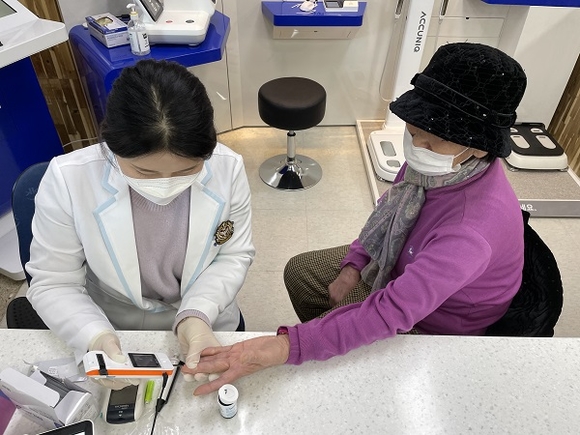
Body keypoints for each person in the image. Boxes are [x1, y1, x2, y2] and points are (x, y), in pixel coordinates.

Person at [186, 42, 528, 395]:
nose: (417, 146)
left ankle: (346, 366)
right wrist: (353, 265)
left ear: (480, 146)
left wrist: (287, 346)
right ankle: (334, 343)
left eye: (433, 140)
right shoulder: (439, 168)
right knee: (302, 271)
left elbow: (392, 310)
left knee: (340, 330)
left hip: (433, 324)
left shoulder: (471, 230)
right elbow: (387, 215)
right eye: (414, 131)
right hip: (400, 263)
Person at [26, 59, 255, 388]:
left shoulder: (228, 168)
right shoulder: (68, 179)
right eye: (145, 172)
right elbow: (54, 282)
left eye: (186, 171)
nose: (166, 185)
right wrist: (94, 337)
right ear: (112, 146)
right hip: (117, 330)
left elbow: (233, 255)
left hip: (208, 323)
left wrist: (197, 316)